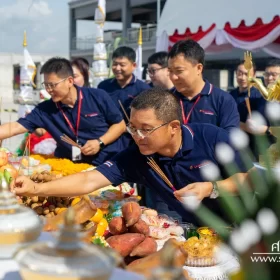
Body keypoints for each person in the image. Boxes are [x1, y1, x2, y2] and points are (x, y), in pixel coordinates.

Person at [13, 88, 252, 225]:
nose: (137, 136)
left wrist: (210, 188)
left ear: (174, 127)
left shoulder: (211, 138)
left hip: (244, 224)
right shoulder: (137, 155)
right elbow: (89, 180)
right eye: (132, 128)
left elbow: (251, 178)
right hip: (198, 230)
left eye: (146, 129)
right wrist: (35, 189)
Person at [0, 57, 126, 165]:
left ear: (70, 81)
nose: (49, 90)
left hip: (106, 164)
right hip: (70, 166)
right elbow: (15, 127)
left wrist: (100, 142)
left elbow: (120, 125)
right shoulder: (45, 110)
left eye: (53, 85)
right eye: (46, 85)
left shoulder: (98, 96)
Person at [168, 39, 239, 133]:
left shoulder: (223, 100)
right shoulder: (166, 99)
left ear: (198, 68)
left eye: (179, 71)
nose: (173, 77)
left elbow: (231, 138)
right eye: (170, 71)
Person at [98, 46, 150, 148]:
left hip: (132, 140)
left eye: (122, 65)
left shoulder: (144, 89)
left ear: (133, 65)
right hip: (107, 138)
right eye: (114, 64)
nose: (117, 68)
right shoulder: (103, 86)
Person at [230, 61, 275, 160]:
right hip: (234, 145)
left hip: (254, 147)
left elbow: (259, 127)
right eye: (239, 73)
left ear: (254, 75)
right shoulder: (230, 95)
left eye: (246, 74)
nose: (242, 77)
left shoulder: (259, 96)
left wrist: (237, 124)